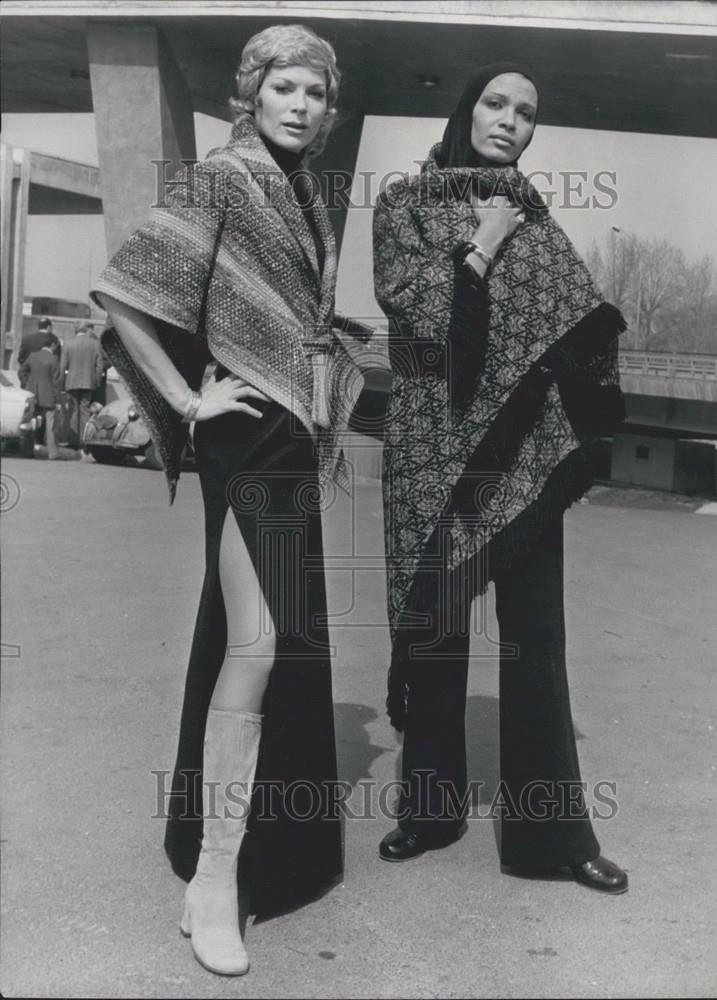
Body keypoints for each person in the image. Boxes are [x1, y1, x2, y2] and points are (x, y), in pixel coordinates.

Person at [92, 24, 368, 976]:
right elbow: (122, 289)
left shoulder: (306, 196)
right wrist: (184, 396)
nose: (300, 104)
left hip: (290, 436)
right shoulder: (220, 176)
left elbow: (299, 315)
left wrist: (329, 355)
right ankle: (213, 881)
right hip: (243, 432)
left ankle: (232, 858)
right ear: (251, 93)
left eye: (316, 94)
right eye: (285, 87)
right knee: (257, 644)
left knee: (258, 640)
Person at [372, 62, 629, 893]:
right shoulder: (403, 206)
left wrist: (581, 382)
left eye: (525, 112)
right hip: (431, 442)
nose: (509, 121)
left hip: (521, 450)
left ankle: (550, 840)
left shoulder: (540, 223)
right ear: (464, 109)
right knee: (437, 628)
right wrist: (480, 240)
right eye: (494, 103)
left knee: (535, 639)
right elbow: (423, 320)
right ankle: (429, 810)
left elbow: (576, 328)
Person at [59, 320, 104, 447]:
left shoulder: (68, 344)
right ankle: (85, 442)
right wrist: (96, 381)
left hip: (72, 382)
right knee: (85, 411)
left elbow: (62, 366)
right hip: (88, 382)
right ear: (86, 330)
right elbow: (99, 365)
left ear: (75, 330)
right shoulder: (95, 344)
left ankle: (73, 442)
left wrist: (61, 383)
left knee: (73, 411)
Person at [18, 331, 61, 459]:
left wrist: (27, 385)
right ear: (52, 345)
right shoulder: (53, 359)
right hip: (49, 397)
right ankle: (53, 453)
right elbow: (56, 383)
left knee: (30, 423)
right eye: (56, 346)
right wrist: (58, 401)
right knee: (50, 425)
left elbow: (21, 372)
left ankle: (27, 451)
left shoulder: (32, 356)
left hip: (33, 394)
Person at [18, 317, 61, 385]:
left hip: (29, 379)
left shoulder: (26, 339)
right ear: (48, 327)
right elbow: (57, 361)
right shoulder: (54, 340)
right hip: (46, 381)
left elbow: (20, 359)